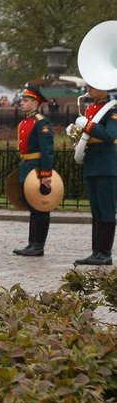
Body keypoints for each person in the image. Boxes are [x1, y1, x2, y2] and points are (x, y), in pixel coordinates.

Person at [73, 84, 117, 266]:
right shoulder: (91, 108)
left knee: (106, 210)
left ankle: (105, 253)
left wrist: (88, 126)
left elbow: (110, 134)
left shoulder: (112, 110)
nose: (88, 90)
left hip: (107, 165)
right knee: (96, 210)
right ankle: (96, 251)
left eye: (93, 87)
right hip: (92, 163)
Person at [13, 85, 55, 258]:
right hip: (27, 166)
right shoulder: (25, 122)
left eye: (27, 100)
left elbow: (47, 150)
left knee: (40, 207)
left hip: (37, 168)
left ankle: (38, 245)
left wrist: (46, 174)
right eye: (22, 100)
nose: (22, 103)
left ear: (35, 103)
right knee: (33, 207)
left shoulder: (41, 122)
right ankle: (32, 243)